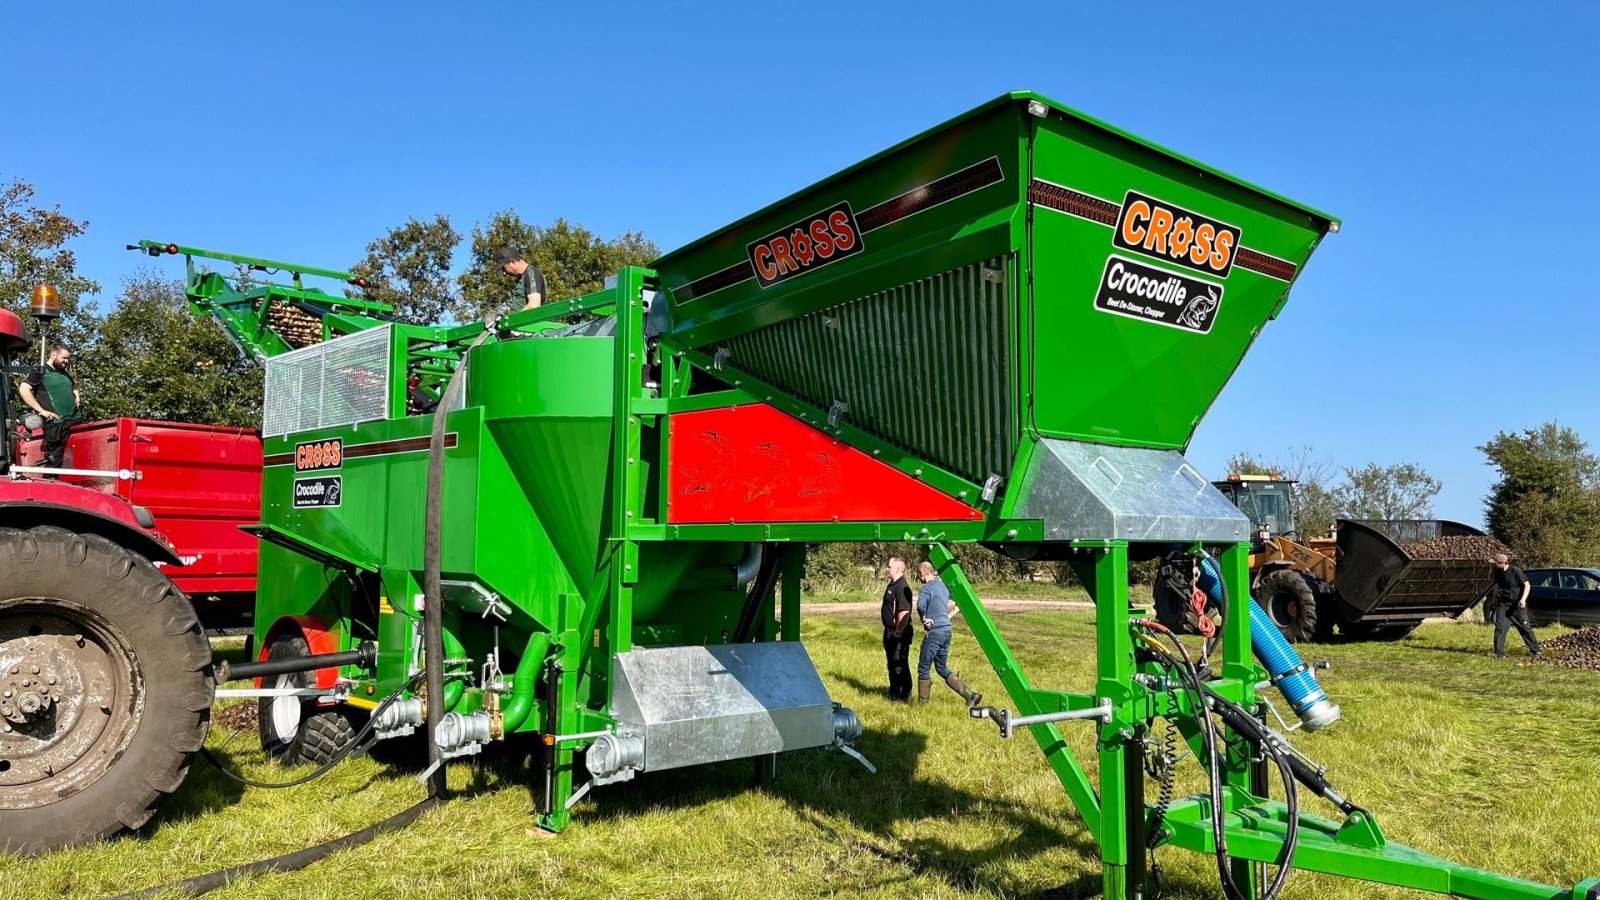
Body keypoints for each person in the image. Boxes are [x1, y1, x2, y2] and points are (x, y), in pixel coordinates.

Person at [915, 561, 981, 707]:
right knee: (941, 667)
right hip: (946, 630)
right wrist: (949, 616)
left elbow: (920, 606)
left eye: (918, 576)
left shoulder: (926, 588)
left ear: (922, 574)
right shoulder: (943, 585)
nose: (919, 579)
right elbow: (960, 601)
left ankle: (922, 706)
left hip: (935, 632)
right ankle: (970, 695)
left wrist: (924, 619)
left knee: (924, 668)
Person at [18, 344, 81, 474]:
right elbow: (24, 389)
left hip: (75, 420)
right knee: (55, 460)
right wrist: (42, 411)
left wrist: (77, 396)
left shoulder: (63, 373)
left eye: (68, 359)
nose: (66, 361)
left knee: (79, 456)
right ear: (53, 355)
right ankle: (51, 482)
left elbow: (74, 386)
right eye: (64, 358)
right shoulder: (40, 371)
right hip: (56, 423)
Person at [1486, 552, 1541, 658]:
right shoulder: (1497, 571)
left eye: (1495, 563)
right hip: (1503, 604)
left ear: (1502, 563)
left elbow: (1527, 585)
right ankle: (1498, 653)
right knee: (1500, 628)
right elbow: (1497, 586)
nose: (1493, 565)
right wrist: (1494, 600)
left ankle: (1536, 651)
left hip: (1516, 605)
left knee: (1524, 628)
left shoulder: (1515, 571)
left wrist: (1523, 599)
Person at [879, 557, 914, 702]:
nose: (887, 569)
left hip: (899, 633)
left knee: (900, 663)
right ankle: (893, 692)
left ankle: (904, 695)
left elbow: (904, 613)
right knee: (892, 663)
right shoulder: (892, 584)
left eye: (889, 566)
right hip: (889, 631)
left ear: (898, 568)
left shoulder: (901, 587)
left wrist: (897, 633)